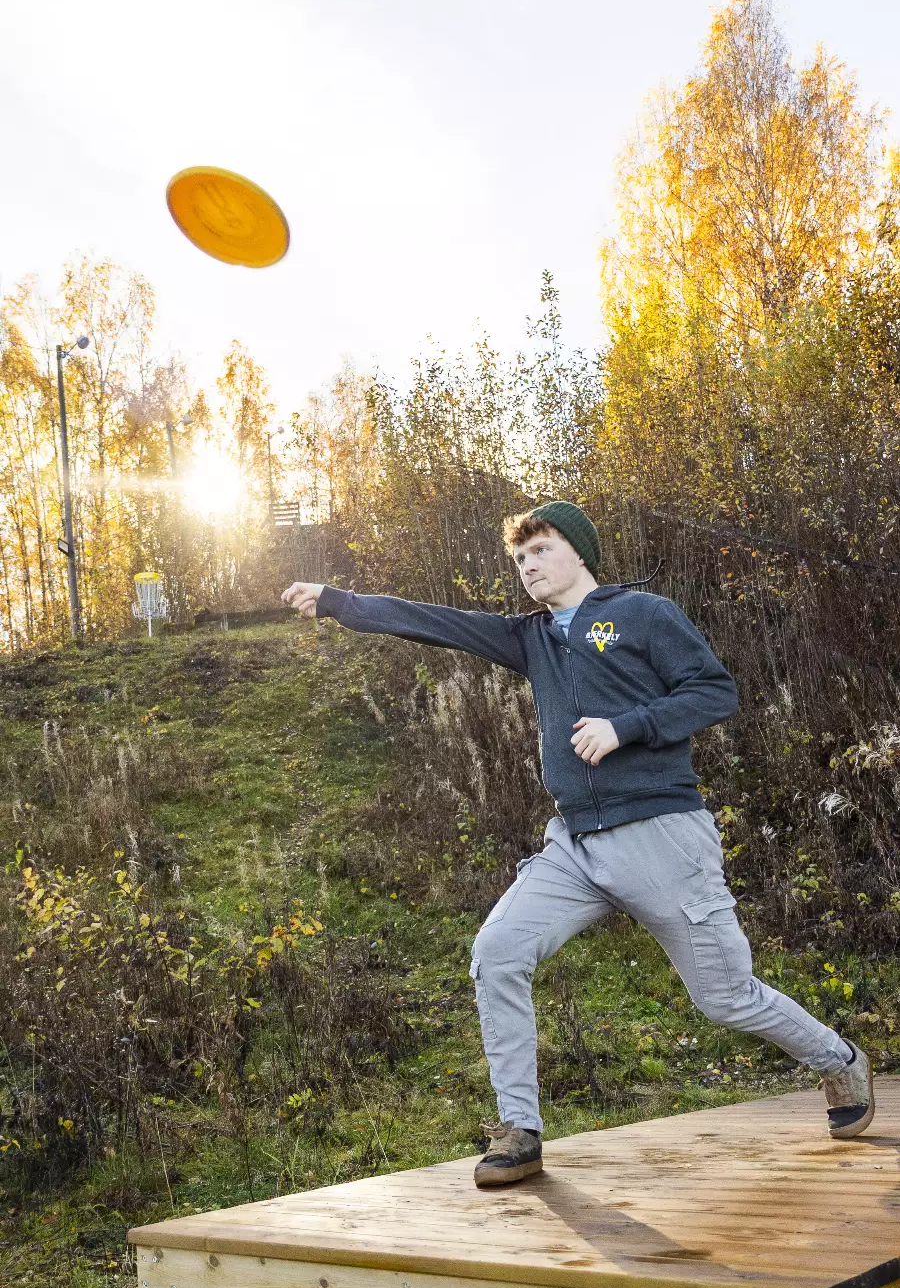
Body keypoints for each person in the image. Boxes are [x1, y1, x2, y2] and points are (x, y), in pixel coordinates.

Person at [281, 500, 874, 1188]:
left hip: (661, 837)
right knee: (497, 952)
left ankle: (837, 1061)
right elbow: (437, 623)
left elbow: (714, 692)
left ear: (579, 553)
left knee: (725, 997)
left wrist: (628, 727)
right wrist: (338, 602)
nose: (528, 566)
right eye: (519, 558)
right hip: (575, 847)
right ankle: (519, 1130)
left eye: (541, 550)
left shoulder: (643, 614)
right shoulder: (529, 637)